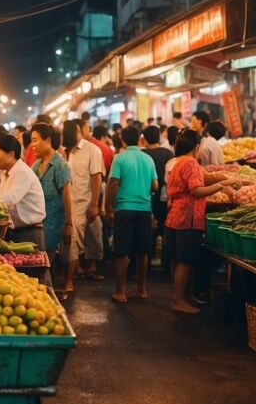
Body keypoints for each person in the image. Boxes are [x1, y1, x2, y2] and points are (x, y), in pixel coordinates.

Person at [166, 130, 238, 313]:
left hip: (176, 216)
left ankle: (185, 296)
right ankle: (179, 300)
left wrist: (225, 178)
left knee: (182, 259)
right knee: (185, 260)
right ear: (197, 146)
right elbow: (196, 190)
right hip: (187, 217)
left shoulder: (179, 162)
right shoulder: (190, 162)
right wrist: (221, 186)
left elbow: (203, 177)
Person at [107, 126, 157, 304]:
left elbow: (113, 184)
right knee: (142, 252)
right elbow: (155, 186)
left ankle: (120, 291)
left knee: (122, 252)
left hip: (124, 208)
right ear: (139, 139)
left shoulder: (119, 158)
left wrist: (109, 207)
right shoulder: (148, 159)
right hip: (144, 209)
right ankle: (141, 289)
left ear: (122, 140)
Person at [60, 120, 104, 296]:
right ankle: (73, 274)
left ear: (78, 131)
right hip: (70, 202)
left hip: (86, 201)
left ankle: (90, 268)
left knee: (94, 235)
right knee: (72, 240)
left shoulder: (92, 150)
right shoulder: (65, 151)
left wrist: (95, 204)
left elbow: (96, 178)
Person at [0, 134, 46, 249]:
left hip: (29, 234)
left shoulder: (22, 172)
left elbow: (9, 200)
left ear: (10, 154)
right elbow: (2, 198)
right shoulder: (6, 173)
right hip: (16, 232)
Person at [30, 123, 72, 271]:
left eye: (35, 140)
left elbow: (67, 197)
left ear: (47, 140)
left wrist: (69, 224)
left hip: (54, 227)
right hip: (37, 227)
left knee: (47, 268)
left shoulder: (60, 165)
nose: (32, 145)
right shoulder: (36, 165)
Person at [141, 126, 173, 262]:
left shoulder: (142, 154)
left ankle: (147, 258)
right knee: (165, 228)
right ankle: (166, 261)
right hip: (164, 197)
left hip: (146, 196)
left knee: (148, 229)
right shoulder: (168, 153)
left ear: (144, 139)